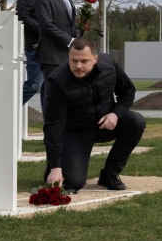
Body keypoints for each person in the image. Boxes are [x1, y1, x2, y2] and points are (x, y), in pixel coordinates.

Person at [43, 37, 145, 192]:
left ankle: (110, 175)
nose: (78, 66)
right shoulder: (57, 81)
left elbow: (128, 92)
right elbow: (54, 125)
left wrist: (115, 114)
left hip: (105, 124)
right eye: (74, 60)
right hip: (75, 132)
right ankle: (55, 166)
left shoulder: (109, 66)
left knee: (136, 121)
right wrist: (56, 166)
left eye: (84, 61)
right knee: (73, 183)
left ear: (95, 58)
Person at [34, 0, 78, 109]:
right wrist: (70, 41)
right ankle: (51, 132)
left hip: (68, 54)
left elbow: (71, 25)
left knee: (68, 96)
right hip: (51, 56)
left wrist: (78, 42)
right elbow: (46, 25)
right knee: (53, 97)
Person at [15, 0, 52, 105]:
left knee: (47, 89)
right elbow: (22, 16)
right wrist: (46, 30)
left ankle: (49, 126)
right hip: (35, 48)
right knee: (34, 85)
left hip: (51, 49)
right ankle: (3, 110)